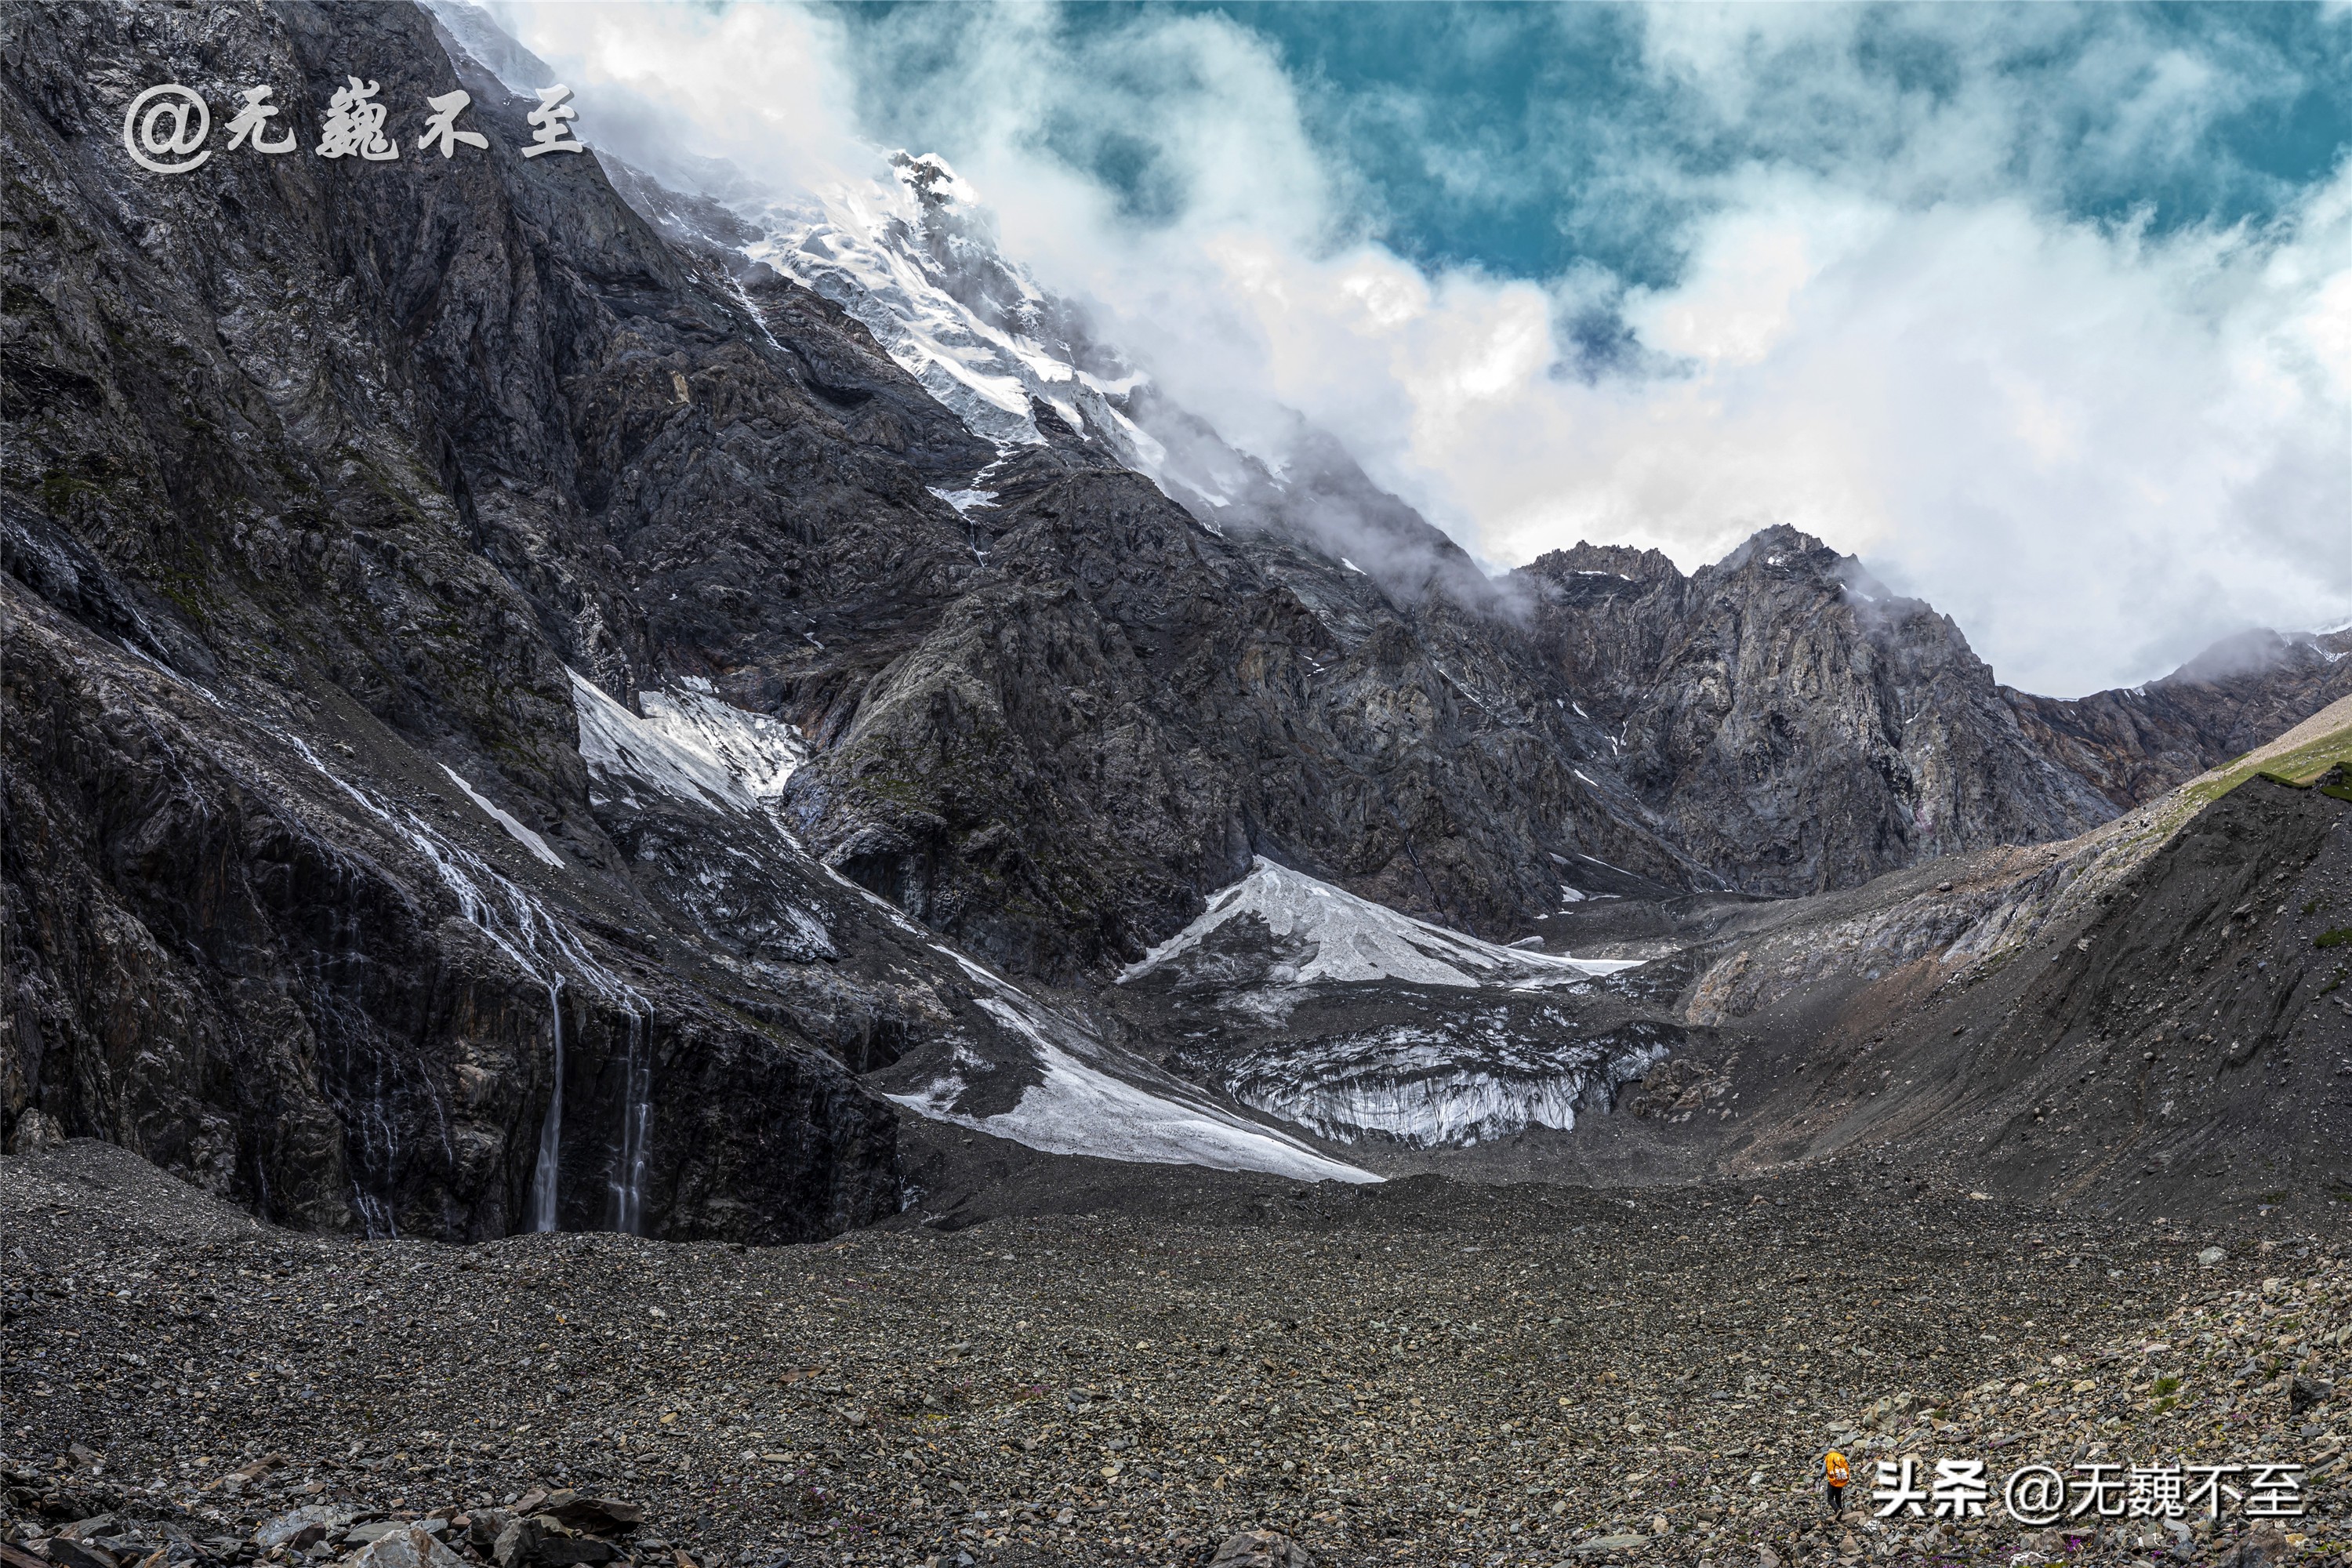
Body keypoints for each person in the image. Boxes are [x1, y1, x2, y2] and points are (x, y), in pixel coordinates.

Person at [1825, 1450, 1850, 1518]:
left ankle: (1837, 1510)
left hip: (1832, 1480)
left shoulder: (1829, 1457)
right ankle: (1840, 1516)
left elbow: (1823, 1470)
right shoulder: (1841, 1457)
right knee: (1838, 1499)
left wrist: (1820, 1477)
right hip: (1840, 1479)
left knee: (1830, 1498)